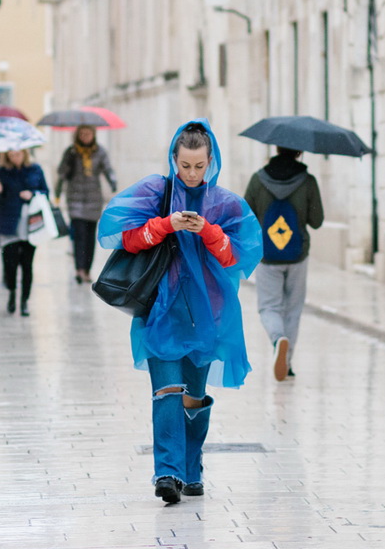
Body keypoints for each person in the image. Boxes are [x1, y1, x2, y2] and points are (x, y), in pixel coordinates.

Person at [98, 120, 262, 504]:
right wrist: (164, 225)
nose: (191, 174)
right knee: (167, 391)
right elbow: (126, 238)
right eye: (185, 165)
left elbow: (236, 256)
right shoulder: (156, 192)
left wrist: (207, 230)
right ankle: (167, 473)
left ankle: (192, 468)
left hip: (209, 316)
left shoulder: (224, 204)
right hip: (161, 310)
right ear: (174, 158)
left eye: (198, 166)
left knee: (194, 396)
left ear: (211, 162)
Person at [243, 147, 324, 382]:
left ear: (276, 149)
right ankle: (287, 364)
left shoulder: (258, 180)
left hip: (267, 255)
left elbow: (245, 214)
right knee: (293, 309)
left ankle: (278, 339)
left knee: (269, 307)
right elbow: (317, 221)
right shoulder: (308, 181)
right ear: (299, 152)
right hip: (297, 254)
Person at [55, 125, 118, 284]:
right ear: (77, 135)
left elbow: (108, 169)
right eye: (82, 134)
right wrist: (69, 160)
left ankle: (87, 270)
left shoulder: (100, 151)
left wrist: (113, 182)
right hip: (75, 199)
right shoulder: (71, 152)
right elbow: (61, 173)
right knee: (79, 235)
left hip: (93, 200)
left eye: (88, 133)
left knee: (90, 236)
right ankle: (79, 269)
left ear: (93, 135)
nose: (85, 137)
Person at [0, 149, 49, 316]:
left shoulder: (35, 169)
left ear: (24, 153)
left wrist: (32, 194)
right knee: (10, 263)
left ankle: (24, 301)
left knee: (27, 264)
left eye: (17, 154)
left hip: (30, 223)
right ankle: (11, 293)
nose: (15, 157)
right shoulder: (1, 172)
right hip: (8, 222)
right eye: (11, 155)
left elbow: (45, 191)